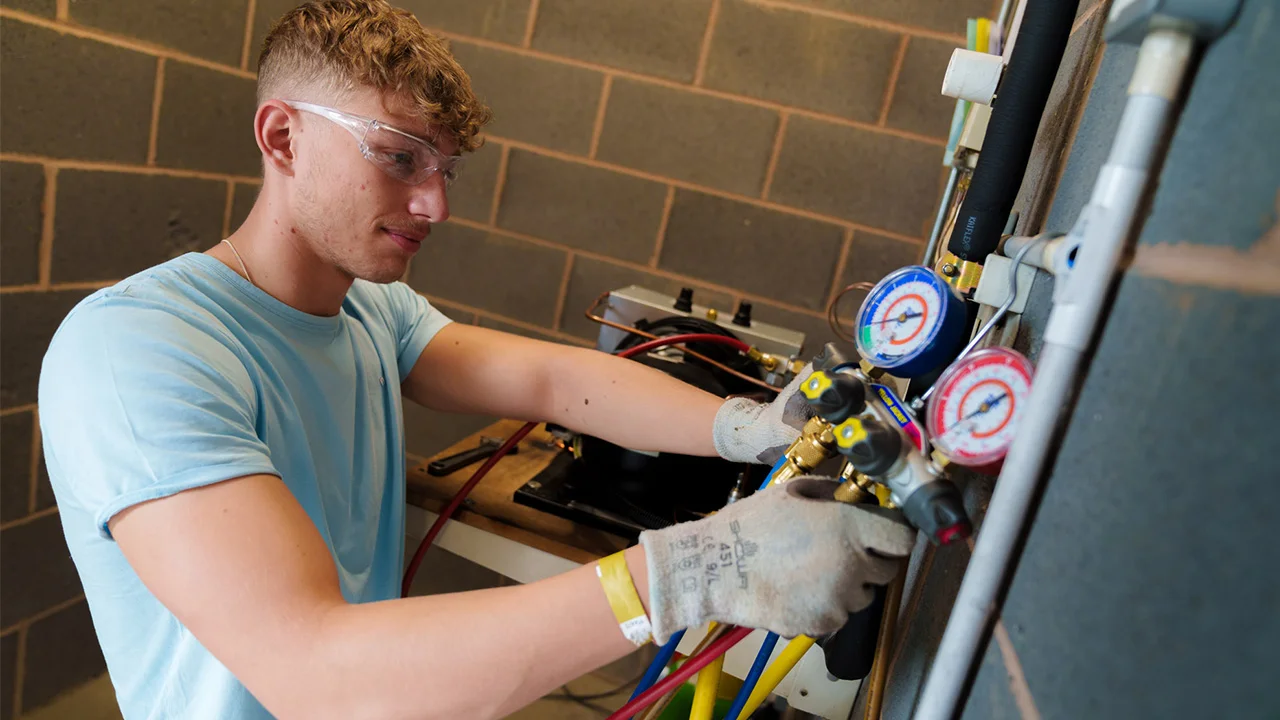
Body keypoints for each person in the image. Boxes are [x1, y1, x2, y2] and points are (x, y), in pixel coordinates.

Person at [37, 1, 916, 718]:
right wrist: (692, 573)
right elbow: (315, 673)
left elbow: (553, 380)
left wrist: (752, 426)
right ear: (283, 138)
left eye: (446, 169)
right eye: (399, 157)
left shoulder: (370, 308)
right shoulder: (138, 350)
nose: (435, 204)